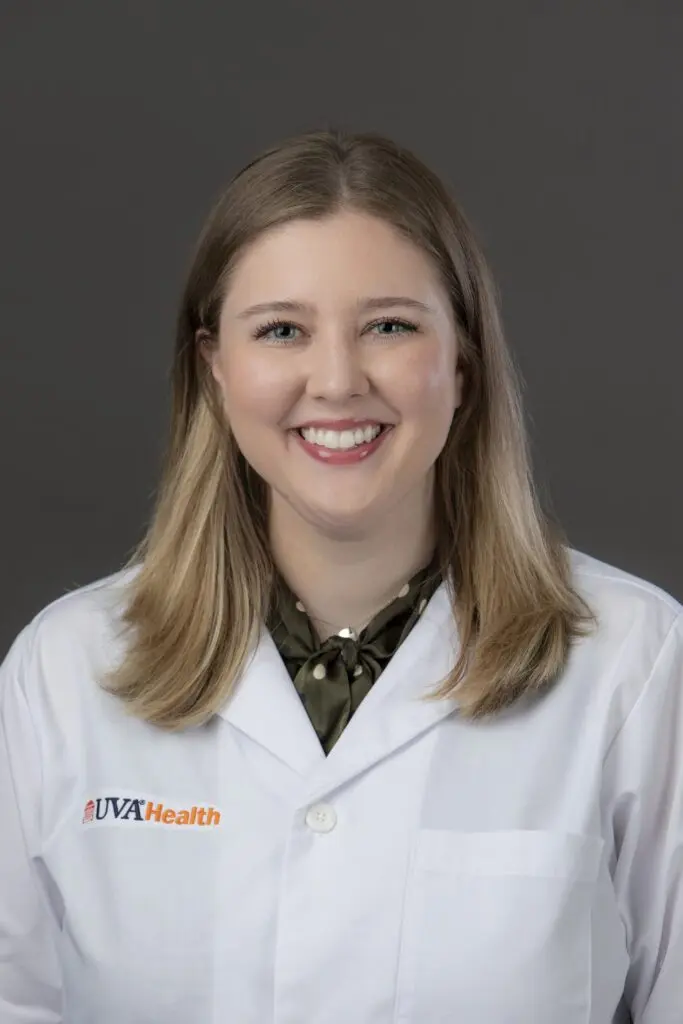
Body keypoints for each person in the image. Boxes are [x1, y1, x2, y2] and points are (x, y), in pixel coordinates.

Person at [0, 129, 681, 1024]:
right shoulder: (64, 670)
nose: (334, 380)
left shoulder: (636, 666)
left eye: (389, 326)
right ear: (215, 368)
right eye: (281, 330)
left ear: (463, 361)